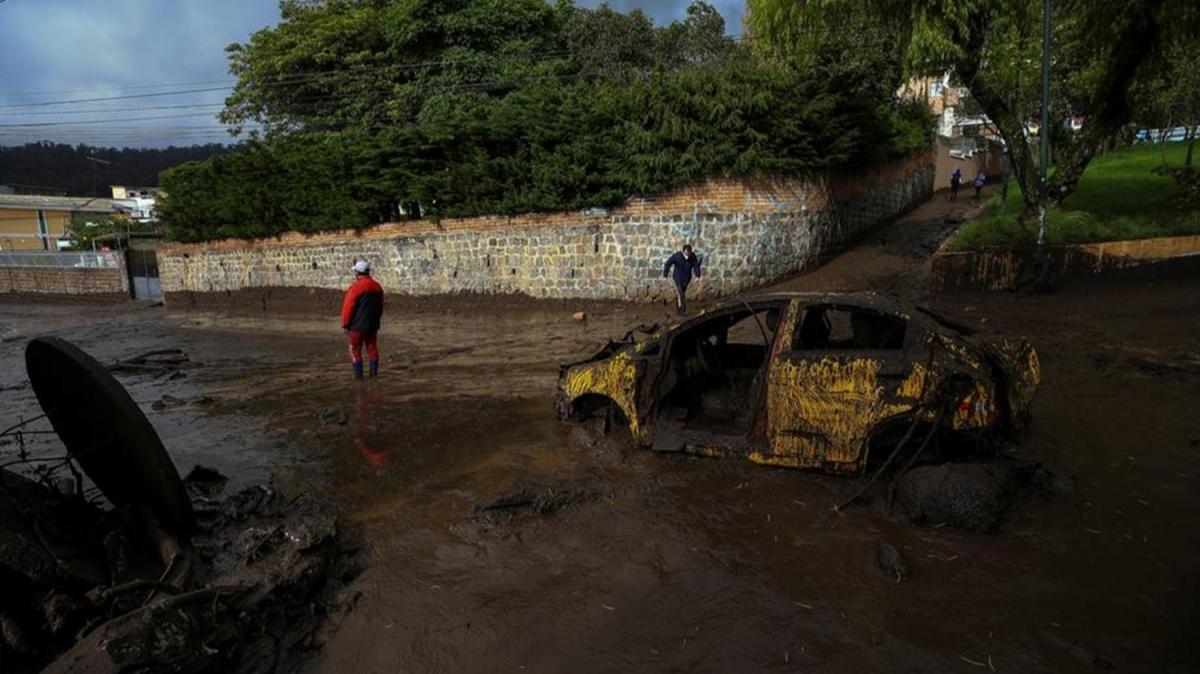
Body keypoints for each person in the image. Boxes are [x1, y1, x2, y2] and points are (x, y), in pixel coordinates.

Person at [341, 259, 384, 380]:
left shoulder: (356, 288)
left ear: (358, 273)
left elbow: (348, 307)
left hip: (357, 326)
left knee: (354, 350)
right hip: (372, 325)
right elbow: (380, 307)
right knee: (372, 349)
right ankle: (373, 376)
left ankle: (359, 378)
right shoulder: (377, 287)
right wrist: (377, 321)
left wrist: (345, 324)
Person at [663, 244, 702, 315]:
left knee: (682, 293)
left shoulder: (693, 256)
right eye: (686, 254)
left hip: (686, 278)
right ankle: (682, 310)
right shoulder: (677, 256)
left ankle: (679, 310)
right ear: (683, 252)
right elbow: (668, 263)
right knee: (680, 293)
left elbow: (696, 265)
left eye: (689, 254)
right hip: (678, 277)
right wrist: (665, 275)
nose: (688, 256)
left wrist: (697, 275)